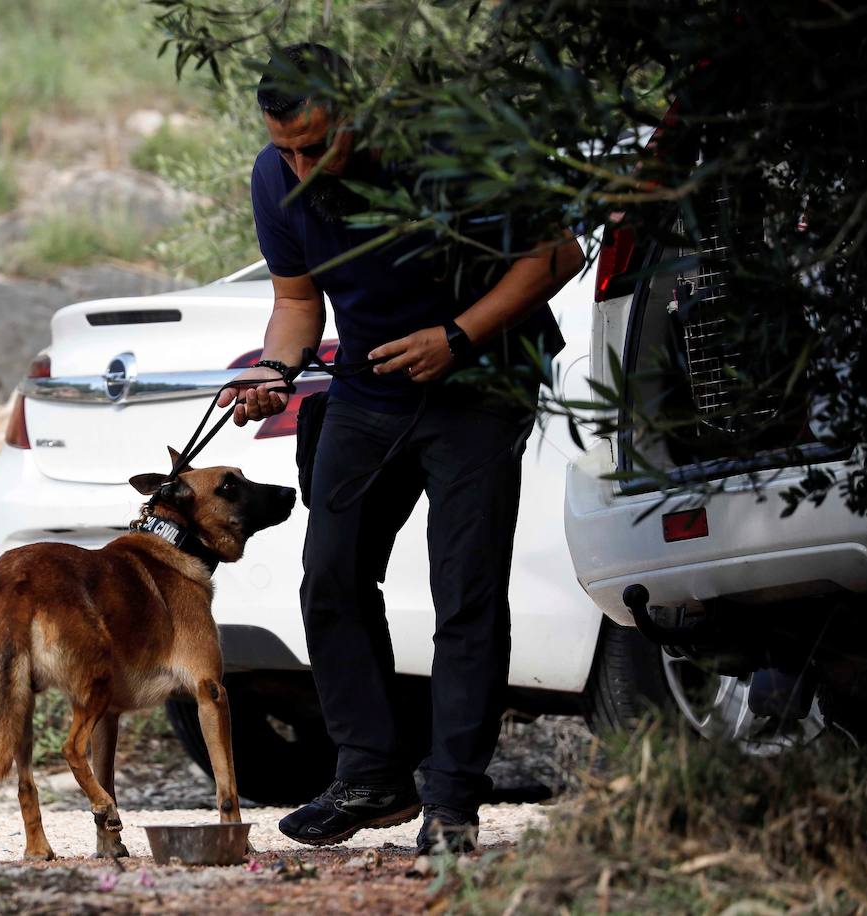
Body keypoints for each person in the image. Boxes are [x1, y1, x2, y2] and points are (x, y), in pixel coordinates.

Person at [218, 43, 585, 855]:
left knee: (466, 593)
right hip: (367, 394)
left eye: (316, 145)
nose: (301, 164)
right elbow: (295, 300)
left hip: (479, 392)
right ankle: (370, 775)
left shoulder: (449, 152)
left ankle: (450, 802)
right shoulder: (276, 177)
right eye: (286, 148)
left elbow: (559, 253)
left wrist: (457, 337)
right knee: (333, 574)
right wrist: (274, 371)